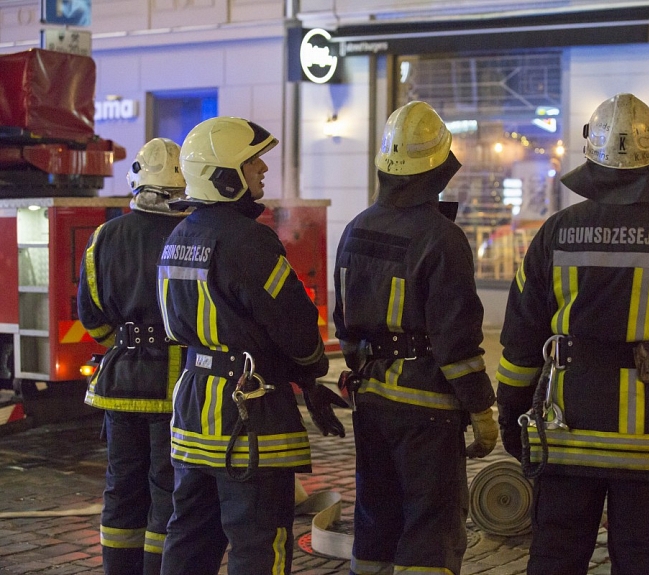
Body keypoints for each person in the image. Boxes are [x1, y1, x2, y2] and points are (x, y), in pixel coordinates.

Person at [495, 93, 649, 575]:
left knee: (556, 559)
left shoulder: (554, 234)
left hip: (566, 436)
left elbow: (520, 340)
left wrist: (509, 410)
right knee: (644, 563)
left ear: (591, 153)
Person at [156, 116, 346, 575]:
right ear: (224, 177)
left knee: (189, 535)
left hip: (193, 406)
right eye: (251, 161)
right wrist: (311, 370)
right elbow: (296, 325)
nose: (262, 168)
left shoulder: (178, 236)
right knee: (260, 542)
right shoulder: (250, 240)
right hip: (249, 413)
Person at [333, 100, 498, 575]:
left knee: (375, 514)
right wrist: (480, 408)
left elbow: (345, 325)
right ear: (436, 172)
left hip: (371, 400)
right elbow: (457, 339)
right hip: (428, 406)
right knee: (432, 523)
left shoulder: (355, 229)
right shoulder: (441, 238)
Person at [77, 137, 189, 575]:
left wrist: (125, 342)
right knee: (167, 490)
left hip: (119, 384)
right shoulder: (190, 234)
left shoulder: (105, 236)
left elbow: (91, 315)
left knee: (121, 489)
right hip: (173, 384)